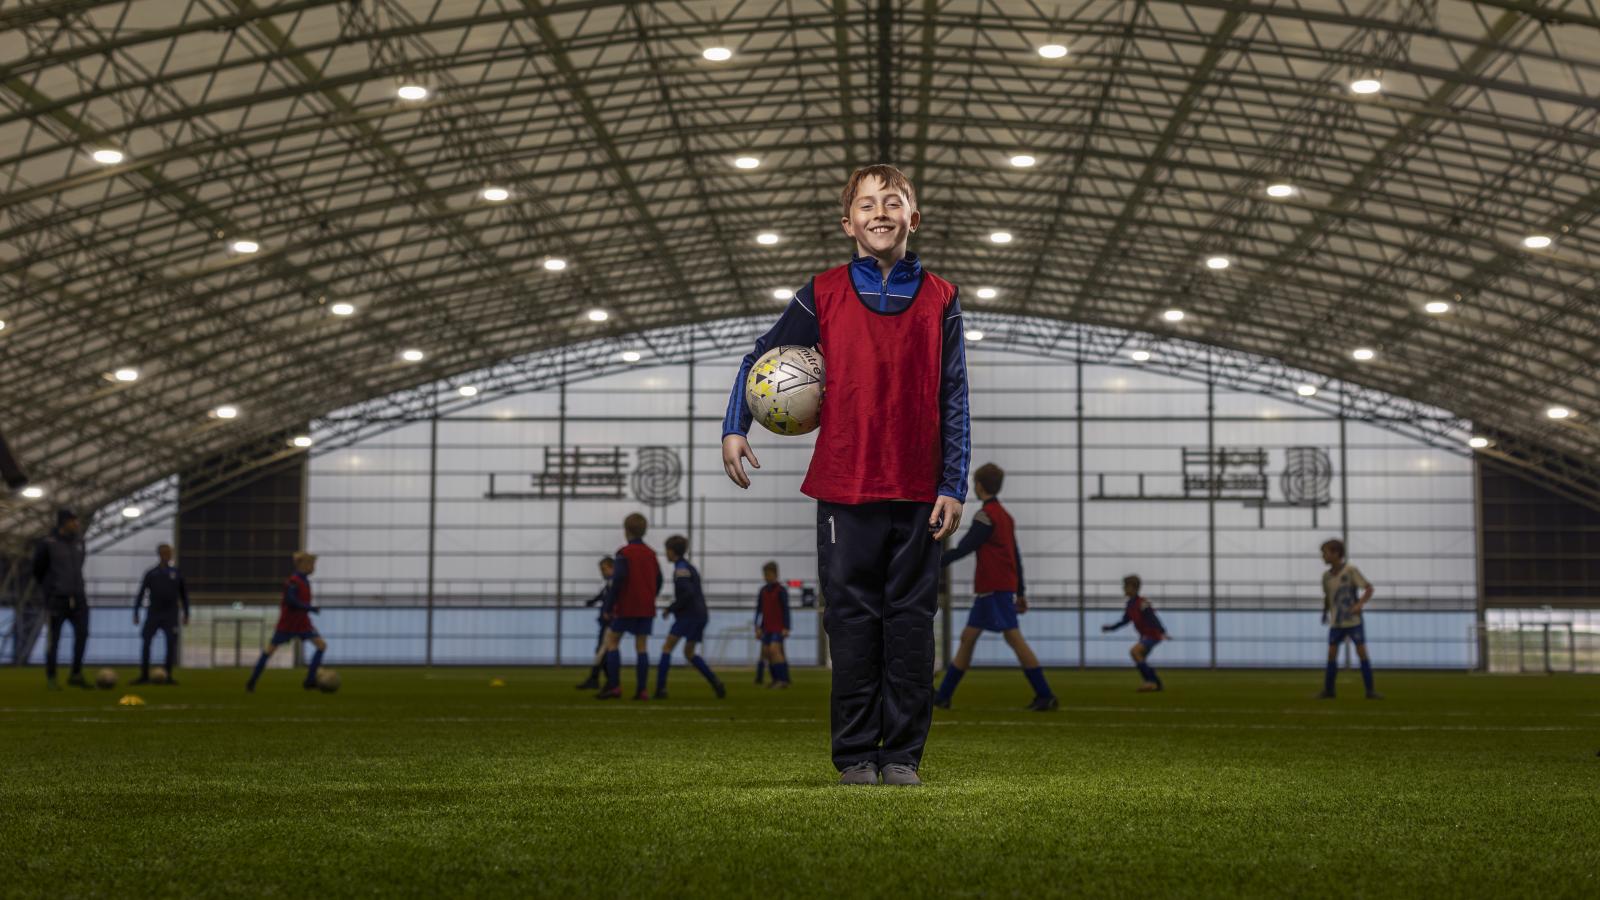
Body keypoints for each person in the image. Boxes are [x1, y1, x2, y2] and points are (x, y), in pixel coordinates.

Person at [722, 164, 970, 786]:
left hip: (919, 489)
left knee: (911, 623)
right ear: (848, 223)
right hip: (843, 486)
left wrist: (953, 483)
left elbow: (955, 395)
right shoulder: (821, 292)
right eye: (866, 204)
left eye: (893, 202)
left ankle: (904, 756)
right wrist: (735, 427)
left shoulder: (942, 297)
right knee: (851, 622)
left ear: (915, 217)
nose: (880, 212)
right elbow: (759, 357)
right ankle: (857, 753)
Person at [935, 463, 1056, 711]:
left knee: (1014, 639)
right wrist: (1021, 591)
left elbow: (963, 549)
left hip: (993, 589)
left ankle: (1045, 694)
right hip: (998, 589)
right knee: (968, 639)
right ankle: (942, 696)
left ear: (979, 486)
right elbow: (1016, 556)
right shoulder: (1006, 516)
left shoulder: (985, 516)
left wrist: (932, 563)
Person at [595, 513, 662, 701]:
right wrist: (651, 596)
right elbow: (659, 579)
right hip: (646, 607)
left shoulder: (624, 553)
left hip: (626, 605)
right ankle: (642, 690)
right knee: (642, 647)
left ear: (626, 531)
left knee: (612, 642)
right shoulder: (651, 554)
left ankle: (615, 686)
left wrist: (608, 607)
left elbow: (618, 581)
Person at [246, 551, 328, 692]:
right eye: (312, 564)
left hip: (303, 622)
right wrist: (310, 608)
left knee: (321, 646)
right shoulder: (293, 581)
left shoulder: (305, 581)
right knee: (269, 651)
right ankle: (251, 682)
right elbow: (292, 601)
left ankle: (309, 681)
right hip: (288, 623)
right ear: (303, 564)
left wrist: (308, 609)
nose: (314, 568)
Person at [656, 535, 726, 699]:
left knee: (667, 648)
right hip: (700, 615)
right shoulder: (689, 567)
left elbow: (687, 592)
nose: (665, 553)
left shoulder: (680, 569)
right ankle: (715, 681)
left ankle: (660, 688)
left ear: (672, 551)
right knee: (689, 653)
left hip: (689, 616)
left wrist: (670, 609)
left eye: (666, 550)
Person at [32, 509, 90, 690]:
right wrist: (51, 590)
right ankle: (51, 677)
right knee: (53, 640)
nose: (76, 524)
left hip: (79, 598)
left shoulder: (80, 542)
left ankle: (76, 674)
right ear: (63, 522)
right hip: (57, 599)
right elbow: (38, 569)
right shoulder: (48, 543)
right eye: (73, 521)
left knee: (82, 635)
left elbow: (79, 566)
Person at [1317, 538, 1380, 699]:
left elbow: (1368, 588)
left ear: (1336, 553)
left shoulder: (1350, 570)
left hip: (1353, 621)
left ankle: (1370, 691)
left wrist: (1360, 604)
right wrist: (1325, 612)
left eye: (1325, 553)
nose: (1323, 556)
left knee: (1361, 653)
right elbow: (1327, 596)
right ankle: (1329, 690)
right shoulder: (1326, 576)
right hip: (1336, 622)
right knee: (1331, 654)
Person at [132, 543, 190, 685]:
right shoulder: (151, 573)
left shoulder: (176, 573)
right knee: (146, 643)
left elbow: (184, 595)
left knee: (171, 644)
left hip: (170, 615)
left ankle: (168, 675)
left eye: (169, 553)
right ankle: (144, 676)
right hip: (154, 614)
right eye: (164, 553)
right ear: (159, 554)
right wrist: (136, 612)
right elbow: (141, 594)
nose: (166, 555)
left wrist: (186, 613)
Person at [1103, 575, 1168, 692]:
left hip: (1152, 635)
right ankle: (1156, 683)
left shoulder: (1142, 602)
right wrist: (1111, 628)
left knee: (1135, 652)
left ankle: (1150, 682)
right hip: (1146, 636)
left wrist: (1162, 631)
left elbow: (1153, 617)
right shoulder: (1130, 604)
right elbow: (1125, 620)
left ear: (1133, 588)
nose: (1123, 589)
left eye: (1125, 586)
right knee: (1139, 657)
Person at [575, 556, 614, 690]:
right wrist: (592, 602)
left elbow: (610, 599)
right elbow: (602, 596)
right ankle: (605, 681)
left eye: (604, 569)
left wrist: (608, 613)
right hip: (606, 622)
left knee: (602, 651)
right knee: (602, 651)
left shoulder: (614, 582)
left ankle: (601, 680)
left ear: (612, 568)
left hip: (610, 622)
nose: (602, 572)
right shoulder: (609, 583)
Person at [754, 561, 792, 689]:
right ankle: (776, 679)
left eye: (768, 574)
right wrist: (757, 626)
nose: (766, 577)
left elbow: (786, 610)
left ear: (775, 574)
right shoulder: (763, 591)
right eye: (765, 574)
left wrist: (786, 627)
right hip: (766, 627)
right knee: (767, 653)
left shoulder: (781, 590)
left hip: (778, 627)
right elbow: (759, 610)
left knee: (774, 650)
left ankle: (783, 680)